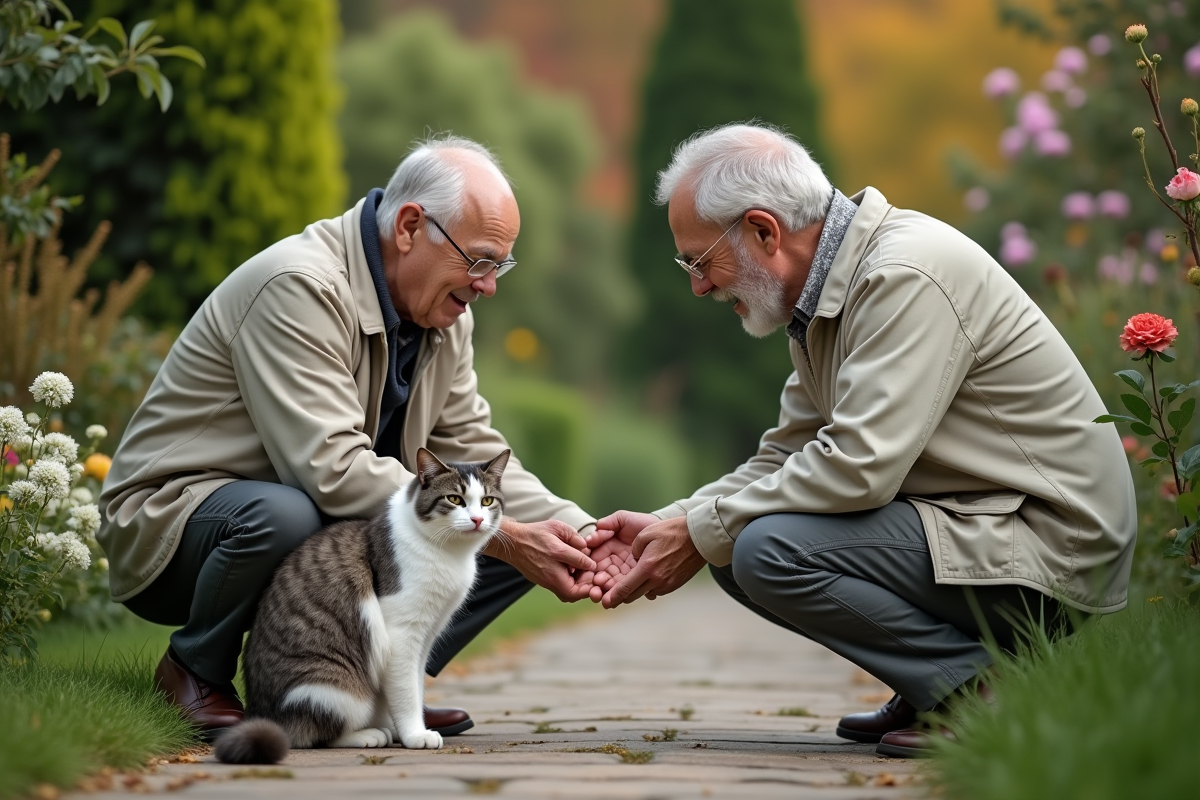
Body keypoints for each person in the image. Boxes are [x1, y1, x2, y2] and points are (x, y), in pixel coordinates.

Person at [579, 122, 1137, 758]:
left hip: (1053, 546)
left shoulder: (902, 276)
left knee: (762, 547)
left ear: (764, 231)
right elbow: (784, 458)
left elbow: (860, 467)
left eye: (701, 261)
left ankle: (984, 689)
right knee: (733, 543)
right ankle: (934, 680)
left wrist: (703, 530)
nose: (698, 285)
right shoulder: (823, 298)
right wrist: (673, 523)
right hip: (987, 527)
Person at [98, 136, 598, 740]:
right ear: (411, 226)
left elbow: (476, 449)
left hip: (303, 517)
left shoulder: (444, 317)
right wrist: (514, 541)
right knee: (293, 513)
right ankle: (192, 671)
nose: (488, 285)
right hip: (176, 526)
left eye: (499, 266)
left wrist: (588, 539)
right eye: (480, 260)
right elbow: (331, 470)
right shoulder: (297, 286)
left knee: (498, 520)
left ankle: (385, 690)